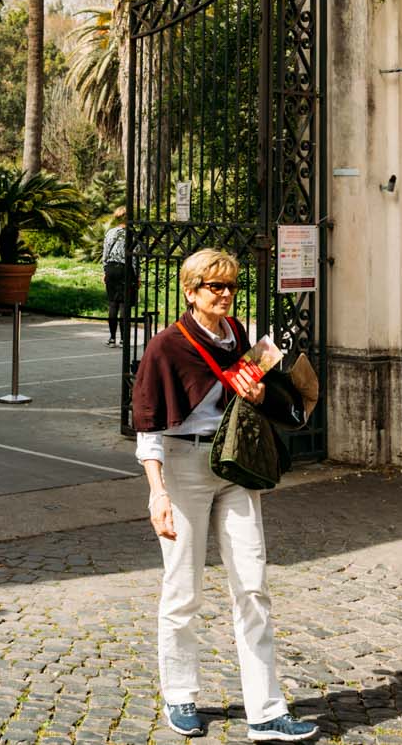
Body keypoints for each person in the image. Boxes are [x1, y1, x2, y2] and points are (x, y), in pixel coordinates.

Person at [132, 248, 317, 742]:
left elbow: (258, 391)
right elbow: (148, 427)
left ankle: (266, 711)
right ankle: (180, 695)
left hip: (233, 462)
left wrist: (260, 394)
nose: (226, 294)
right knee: (183, 588)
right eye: (216, 286)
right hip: (183, 464)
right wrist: (157, 494)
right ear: (190, 291)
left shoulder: (240, 336)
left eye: (231, 285)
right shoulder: (166, 347)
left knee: (253, 585)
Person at [101, 206, 136, 347]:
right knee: (124, 304)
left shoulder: (110, 232)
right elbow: (135, 257)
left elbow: (105, 253)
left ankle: (112, 338)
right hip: (126, 268)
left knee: (112, 303)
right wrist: (137, 275)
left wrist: (105, 270)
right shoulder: (132, 234)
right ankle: (123, 339)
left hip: (111, 268)